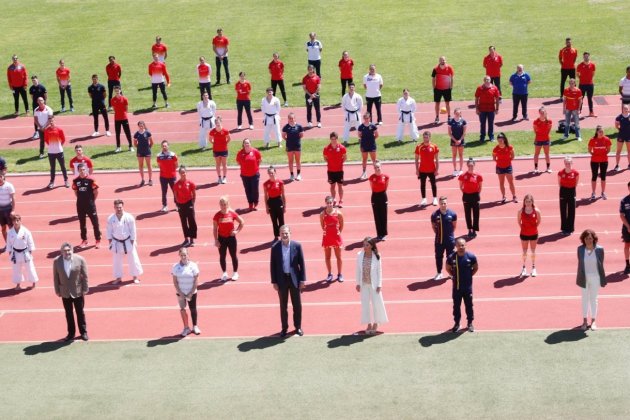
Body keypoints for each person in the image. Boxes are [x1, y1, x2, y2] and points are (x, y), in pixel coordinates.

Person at [270, 225, 306, 337]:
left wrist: (302, 280)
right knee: (283, 306)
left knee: (297, 305)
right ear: (279, 234)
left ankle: (298, 327)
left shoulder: (297, 246)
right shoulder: (275, 248)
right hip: (281, 280)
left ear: (290, 233)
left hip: (294, 279)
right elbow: (273, 266)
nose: (284, 235)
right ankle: (284, 328)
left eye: (286, 233)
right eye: (282, 233)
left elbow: (302, 264)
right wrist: (274, 282)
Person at [53, 242, 89, 341]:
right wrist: (57, 290)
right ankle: (71, 333)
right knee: (68, 314)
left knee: (80, 313)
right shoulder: (56, 261)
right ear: (61, 252)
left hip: (77, 291)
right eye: (65, 251)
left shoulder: (80, 259)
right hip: (64, 292)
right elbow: (56, 277)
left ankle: (83, 332)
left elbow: (85, 275)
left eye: (68, 250)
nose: (67, 252)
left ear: (72, 250)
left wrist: (85, 289)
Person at [355, 237, 388, 334]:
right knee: (365, 305)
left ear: (372, 246)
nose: (364, 247)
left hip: (374, 284)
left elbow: (379, 271)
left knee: (376, 304)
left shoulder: (377, 256)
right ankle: (368, 324)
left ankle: (376, 323)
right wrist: (357, 283)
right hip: (364, 284)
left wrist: (379, 285)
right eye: (363, 245)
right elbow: (357, 270)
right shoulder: (359, 255)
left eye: (367, 245)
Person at [106, 199, 143, 284]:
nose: (119, 209)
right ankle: (118, 278)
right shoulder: (111, 218)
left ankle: (135, 276)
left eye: (120, 207)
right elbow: (109, 231)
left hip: (128, 241)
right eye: (117, 207)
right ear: (114, 207)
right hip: (116, 242)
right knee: (116, 261)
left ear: (123, 207)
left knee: (133, 259)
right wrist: (110, 242)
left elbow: (133, 230)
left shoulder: (129, 217)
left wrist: (132, 241)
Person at [446, 238, 478, 333]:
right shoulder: (451, 257)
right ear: (456, 246)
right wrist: (454, 275)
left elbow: (475, 268)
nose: (461, 247)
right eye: (459, 245)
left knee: (469, 306)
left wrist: (469, 275)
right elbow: (448, 268)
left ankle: (470, 323)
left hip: (467, 288)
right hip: (457, 288)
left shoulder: (471, 256)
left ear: (466, 245)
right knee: (456, 306)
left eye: (463, 245)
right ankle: (457, 323)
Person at [576, 229, 606, 331]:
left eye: (590, 238)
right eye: (586, 238)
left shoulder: (600, 249)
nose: (588, 240)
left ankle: (593, 320)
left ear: (594, 239)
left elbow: (601, 263)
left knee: (594, 299)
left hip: (595, 277)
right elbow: (580, 263)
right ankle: (584, 321)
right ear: (583, 240)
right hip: (584, 277)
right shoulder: (580, 249)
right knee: (584, 299)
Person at [213, 196, 244, 281]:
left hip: (231, 238)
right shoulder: (217, 215)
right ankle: (224, 273)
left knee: (233, 255)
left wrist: (236, 231)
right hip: (221, 238)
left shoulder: (232, 213)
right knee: (222, 256)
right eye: (222, 204)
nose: (223, 206)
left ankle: (235, 273)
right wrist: (216, 240)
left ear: (227, 204)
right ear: (220, 205)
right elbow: (215, 229)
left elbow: (242, 222)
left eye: (225, 204)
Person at [172, 247, 201, 337]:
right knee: (182, 309)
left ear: (188, 255)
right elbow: (175, 281)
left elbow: (196, 280)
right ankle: (186, 327)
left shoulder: (193, 266)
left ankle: (195, 326)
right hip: (181, 293)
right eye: (181, 255)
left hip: (191, 292)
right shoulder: (175, 267)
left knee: (193, 309)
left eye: (185, 255)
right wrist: (180, 292)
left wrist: (191, 293)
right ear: (179, 256)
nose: (183, 257)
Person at [72, 163, 101, 248]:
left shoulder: (91, 180)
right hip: (80, 205)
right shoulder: (75, 181)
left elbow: (96, 192)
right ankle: (84, 240)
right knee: (82, 223)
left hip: (90, 205)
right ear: (78, 171)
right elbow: (76, 192)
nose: (82, 171)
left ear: (86, 170)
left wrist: (92, 201)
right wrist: (81, 199)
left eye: (84, 169)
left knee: (95, 223)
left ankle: (98, 239)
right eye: (80, 170)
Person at [7, 213, 38, 290]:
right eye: (14, 221)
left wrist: (30, 252)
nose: (16, 222)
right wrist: (10, 253)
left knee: (30, 268)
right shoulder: (10, 232)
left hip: (25, 252)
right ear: (12, 222)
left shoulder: (26, 231)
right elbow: (9, 244)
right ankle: (18, 284)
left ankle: (33, 282)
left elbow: (30, 242)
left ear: (20, 221)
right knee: (16, 269)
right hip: (15, 253)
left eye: (18, 220)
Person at [431, 196, 457, 280]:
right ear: (439, 204)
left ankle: (451, 273)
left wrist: (449, 235)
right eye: (442, 203)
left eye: (445, 203)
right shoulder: (435, 215)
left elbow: (454, 226)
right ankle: (439, 272)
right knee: (438, 256)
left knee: (450, 257)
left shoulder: (452, 214)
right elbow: (434, 227)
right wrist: (439, 234)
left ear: (447, 203)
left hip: (450, 240)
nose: (443, 205)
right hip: (439, 240)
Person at [321, 195, 344, 282]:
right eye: (328, 203)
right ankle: (330, 274)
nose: (329, 204)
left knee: (339, 257)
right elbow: (322, 225)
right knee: (327, 257)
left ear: (333, 203)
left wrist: (338, 232)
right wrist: (327, 231)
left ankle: (339, 274)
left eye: (330, 203)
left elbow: (342, 224)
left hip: (336, 237)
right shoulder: (322, 214)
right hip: (327, 237)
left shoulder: (338, 213)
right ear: (325, 203)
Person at [517, 194, 541, 277]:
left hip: (534, 233)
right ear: (524, 202)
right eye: (526, 201)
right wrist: (524, 228)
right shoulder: (520, 211)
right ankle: (524, 268)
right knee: (524, 251)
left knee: (533, 250)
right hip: (524, 234)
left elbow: (538, 221)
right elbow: (519, 221)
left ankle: (533, 268)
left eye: (529, 201)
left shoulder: (536, 211)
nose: (528, 203)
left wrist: (533, 228)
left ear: (532, 202)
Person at [173, 166, 197, 247]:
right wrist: (178, 203)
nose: (183, 174)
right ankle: (186, 239)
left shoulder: (190, 183)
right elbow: (175, 195)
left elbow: (194, 193)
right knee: (184, 222)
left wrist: (192, 203)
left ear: (186, 172)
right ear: (179, 174)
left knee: (192, 221)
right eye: (181, 173)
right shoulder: (176, 184)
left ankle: (192, 239)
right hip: (181, 205)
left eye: (184, 172)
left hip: (189, 203)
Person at [459, 158, 483, 238]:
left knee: (476, 214)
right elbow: (461, 186)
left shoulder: (478, 176)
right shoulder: (463, 175)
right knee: (467, 214)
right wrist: (466, 193)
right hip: (466, 196)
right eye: (469, 166)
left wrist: (477, 194)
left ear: (474, 165)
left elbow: (480, 187)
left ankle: (474, 229)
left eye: (472, 166)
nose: (470, 167)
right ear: (467, 166)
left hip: (475, 196)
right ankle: (469, 229)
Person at [414, 131, 440, 207]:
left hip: (432, 169)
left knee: (433, 184)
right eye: (424, 137)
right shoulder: (419, 147)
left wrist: (437, 169)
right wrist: (417, 170)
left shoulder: (434, 146)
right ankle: (424, 199)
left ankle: (435, 198)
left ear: (429, 137)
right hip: (422, 170)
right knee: (422, 184)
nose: (425, 139)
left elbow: (437, 159)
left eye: (427, 137)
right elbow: (416, 159)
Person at [44, 116, 69, 189]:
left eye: (52, 121)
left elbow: (63, 139)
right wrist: (52, 146)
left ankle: (66, 180)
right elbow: (46, 140)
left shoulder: (59, 129)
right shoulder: (46, 130)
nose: (51, 123)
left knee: (63, 167)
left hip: (59, 152)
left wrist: (58, 146)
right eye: (50, 121)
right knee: (52, 168)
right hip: (51, 152)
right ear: (48, 122)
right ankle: (52, 182)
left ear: (54, 121)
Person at [236, 139, 262, 210]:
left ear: (250, 144)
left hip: (254, 174)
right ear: (243, 144)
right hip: (244, 175)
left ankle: (256, 202)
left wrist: (256, 167)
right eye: (245, 143)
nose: (247, 144)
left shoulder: (255, 151)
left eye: (248, 143)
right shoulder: (240, 153)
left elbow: (259, 160)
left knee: (255, 189)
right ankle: (250, 203)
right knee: (248, 190)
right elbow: (238, 162)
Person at [323, 132, 347, 207]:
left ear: (337, 139)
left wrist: (340, 163)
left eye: (335, 139)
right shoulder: (326, 148)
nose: (333, 140)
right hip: (330, 171)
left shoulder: (342, 148)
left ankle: (341, 200)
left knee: (340, 186)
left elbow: (345, 157)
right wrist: (330, 163)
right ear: (330, 139)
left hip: (339, 170)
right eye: (332, 139)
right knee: (332, 186)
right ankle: (333, 200)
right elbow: (325, 158)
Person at [588, 126, 612, 200]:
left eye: (602, 132)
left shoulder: (607, 139)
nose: (601, 133)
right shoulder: (592, 140)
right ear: (597, 132)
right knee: (594, 176)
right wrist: (594, 155)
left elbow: (608, 150)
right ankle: (593, 193)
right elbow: (589, 149)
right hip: (594, 161)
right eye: (600, 132)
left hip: (604, 160)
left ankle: (603, 192)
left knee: (603, 176)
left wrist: (602, 155)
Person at [492, 133, 517, 203]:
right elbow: (494, 157)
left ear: (504, 140)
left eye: (501, 140)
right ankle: (503, 196)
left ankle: (514, 196)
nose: (500, 141)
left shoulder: (509, 147)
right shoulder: (496, 149)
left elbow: (513, 156)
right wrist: (498, 162)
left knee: (511, 182)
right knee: (501, 183)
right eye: (499, 140)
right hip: (500, 167)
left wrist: (508, 161)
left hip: (508, 167)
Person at [263, 166, 286, 242]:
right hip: (271, 202)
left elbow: (283, 195)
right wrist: (266, 207)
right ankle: (276, 236)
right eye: (269, 173)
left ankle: (283, 235)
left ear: (275, 172)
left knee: (281, 220)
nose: (271, 174)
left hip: (279, 201)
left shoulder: (280, 182)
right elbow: (266, 196)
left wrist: (285, 206)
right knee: (274, 220)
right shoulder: (266, 184)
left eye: (272, 173)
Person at [475, 75, 500, 142]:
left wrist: (497, 109)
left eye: (488, 79)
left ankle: (491, 137)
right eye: (485, 80)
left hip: (491, 109)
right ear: (484, 80)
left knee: (491, 123)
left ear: (490, 80)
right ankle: (482, 137)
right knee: (482, 123)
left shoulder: (494, 88)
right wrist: (477, 109)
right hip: (482, 109)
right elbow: (476, 99)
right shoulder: (479, 88)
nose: (487, 81)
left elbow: (497, 99)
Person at [558, 156, 579, 235]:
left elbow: (576, 183)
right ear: (564, 163)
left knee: (571, 210)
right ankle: (564, 228)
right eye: (566, 163)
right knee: (563, 210)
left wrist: (571, 189)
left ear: (572, 163)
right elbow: (559, 183)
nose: (568, 164)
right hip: (563, 191)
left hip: (572, 191)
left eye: (569, 163)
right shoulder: (560, 173)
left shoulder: (576, 173)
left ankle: (570, 229)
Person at [369, 161, 389, 241]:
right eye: (375, 167)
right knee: (377, 216)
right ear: (374, 168)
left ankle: (384, 234)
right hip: (374, 196)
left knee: (383, 215)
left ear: (381, 167)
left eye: (378, 167)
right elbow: (372, 187)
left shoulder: (386, 177)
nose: (377, 169)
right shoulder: (371, 177)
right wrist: (376, 193)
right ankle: (379, 234)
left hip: (383, 196)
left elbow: (386, 186)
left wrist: (382, 193)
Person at [156, 140, 178, 212]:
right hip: (163, 177)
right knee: (164, 192)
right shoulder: (159, 156)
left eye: (165, 146)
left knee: (175, 191)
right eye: (163, 146)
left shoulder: (173, 155)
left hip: (172, 177)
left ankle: (177, 205)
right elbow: (159, 165)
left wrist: (172, 171)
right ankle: (164, 206)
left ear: (168, 146)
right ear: (161, 147)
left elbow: (176, 165)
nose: (164, 147)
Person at [431, 56, 454, 123]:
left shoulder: (449, 68)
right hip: (438, 89)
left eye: (443, 60)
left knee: (447, 103)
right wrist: (434, 87)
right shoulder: (435, 69)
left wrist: (451, 87)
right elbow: (433, 78)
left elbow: (452, 78)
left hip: (447, 89)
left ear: (445, 61)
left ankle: (449, 117)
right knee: (437, 104)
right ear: (439, 61)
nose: (442, 61)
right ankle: (437, 117)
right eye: (441, 60)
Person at [282, 112, 304, 181]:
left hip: (297, 146)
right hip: (289, 146)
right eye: (290, 118)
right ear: (288, 119)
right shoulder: (286, 127)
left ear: (295, 119)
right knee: (290, 161)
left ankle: (298, 174)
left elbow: (301, 135)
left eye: (292, 118)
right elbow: (283, 136)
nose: (291, 119)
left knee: (298, 160)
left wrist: (296, 140)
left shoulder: (299, 127)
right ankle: (291, 175)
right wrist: (288, 140)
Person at [111, 86, 133, 152]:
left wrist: (123, 114)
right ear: (114, 91)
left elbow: (126, 109)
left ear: (120, 90)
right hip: (117, 118)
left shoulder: (124, 99)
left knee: (127, 132)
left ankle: (130, 146)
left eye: (118, 91)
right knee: (117, 133)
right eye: (115, 91)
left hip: (124, 118)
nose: (117, 92)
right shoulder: (112, 100)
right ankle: (118, 147)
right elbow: (114, 108)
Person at [357, 113, 379, 180]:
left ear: (370, 118)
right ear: (364, 119)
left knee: (374, 160)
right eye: (365, 118)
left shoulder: (373, 126)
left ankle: (377, 172)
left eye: (367, 118)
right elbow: (359, 135)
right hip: (364, 145)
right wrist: (364, 141)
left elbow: (377, 135)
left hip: (372, 145)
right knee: (364, 159)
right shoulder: (361, 127)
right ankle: (364, 173)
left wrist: (372, 139)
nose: (366, 119)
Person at [209, 116, 230, 184]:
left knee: (224, 164)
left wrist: (225, 144)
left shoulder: (225, 131)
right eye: (217, 123)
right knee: (218, 164)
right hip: (216, 150)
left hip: (224, 149)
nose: (218, 124)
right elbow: (210, 139)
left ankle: (224, 177)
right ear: (215, 123)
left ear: (221, 122)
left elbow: (229, 138)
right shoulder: (212, 131)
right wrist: (214, 144)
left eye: (219, 122)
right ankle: (219, 177)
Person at [533, 106, 553, 173]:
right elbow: (535, 130)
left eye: (543, 112)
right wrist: (538, 135)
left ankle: (548, 168)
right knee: (536, 154)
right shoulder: (536, 121)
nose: (542, 114)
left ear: (545, 113)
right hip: (538, 139)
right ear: (539, 113)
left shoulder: (549, 121)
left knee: (547, 154)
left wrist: (546, 135)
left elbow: (549, 129)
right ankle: (536, 168)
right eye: (541, 112)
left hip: (546, 139)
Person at [133, 121, 153, 186]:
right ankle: (142, 179)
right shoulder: (136, 134)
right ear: (138, 126)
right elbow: (135, 143)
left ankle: (150, 180)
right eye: (140, 126)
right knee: (141, 165)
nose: (141, 127)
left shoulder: (148, 133)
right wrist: (139, 148)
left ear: (144, 125)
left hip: (147, 151)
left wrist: (148, 148)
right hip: (140, 152)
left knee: (149, 165)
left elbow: (152, 142)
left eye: (142, 125)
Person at [447, 107, 466, 176]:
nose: (457, 114)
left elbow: (464, 133)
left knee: (461, 155)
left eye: (458, 113)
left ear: (460, 113)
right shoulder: (450, 121)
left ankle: (460, 169)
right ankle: (455, 170)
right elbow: (449, 133)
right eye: (456, 113)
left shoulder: (463, 121)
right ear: (454, 113)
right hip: (453, 140)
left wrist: (460, 140)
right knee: (454, 155)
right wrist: (455, 140)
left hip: (461, 140)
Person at [577, 52, 596, 117]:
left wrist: (589, 79)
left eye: (587, 56)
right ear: (583, 57)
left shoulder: (592, 65)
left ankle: (591, 112)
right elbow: (577, 74)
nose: (586, 57)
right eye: (585, 56)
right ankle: (579, 112)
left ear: (589, 56)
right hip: (582, 84)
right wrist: (581, 78)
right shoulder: (580, 65)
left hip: (590, 84)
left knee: (590, 99)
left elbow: (593, 73)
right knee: (580, 99)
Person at [0, 173, 16, 253]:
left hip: (8, 209)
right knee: (3, 229)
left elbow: (13, 198)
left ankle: (15, 244)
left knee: (11, 228)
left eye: (0, 177)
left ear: (3, 177)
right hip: (0, 210)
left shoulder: (9, 186)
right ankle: (8, 245)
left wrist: (13, 210)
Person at [614, 104, 630, 171]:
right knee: (618, 151)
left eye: (627, 109)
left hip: (629, 136)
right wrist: (620, 130)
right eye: (624, 109)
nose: (626, 110)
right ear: (622, 109)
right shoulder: (619, 117)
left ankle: (629, 164)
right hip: (621, 135)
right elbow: (616, 126)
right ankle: (617, 165)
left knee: (629, 151)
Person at [620, 181, 630, 275]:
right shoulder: (624, 200)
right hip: (627, 227)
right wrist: (628, 226)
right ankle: (627, 265)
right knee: (627, 245)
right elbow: (622, 215)